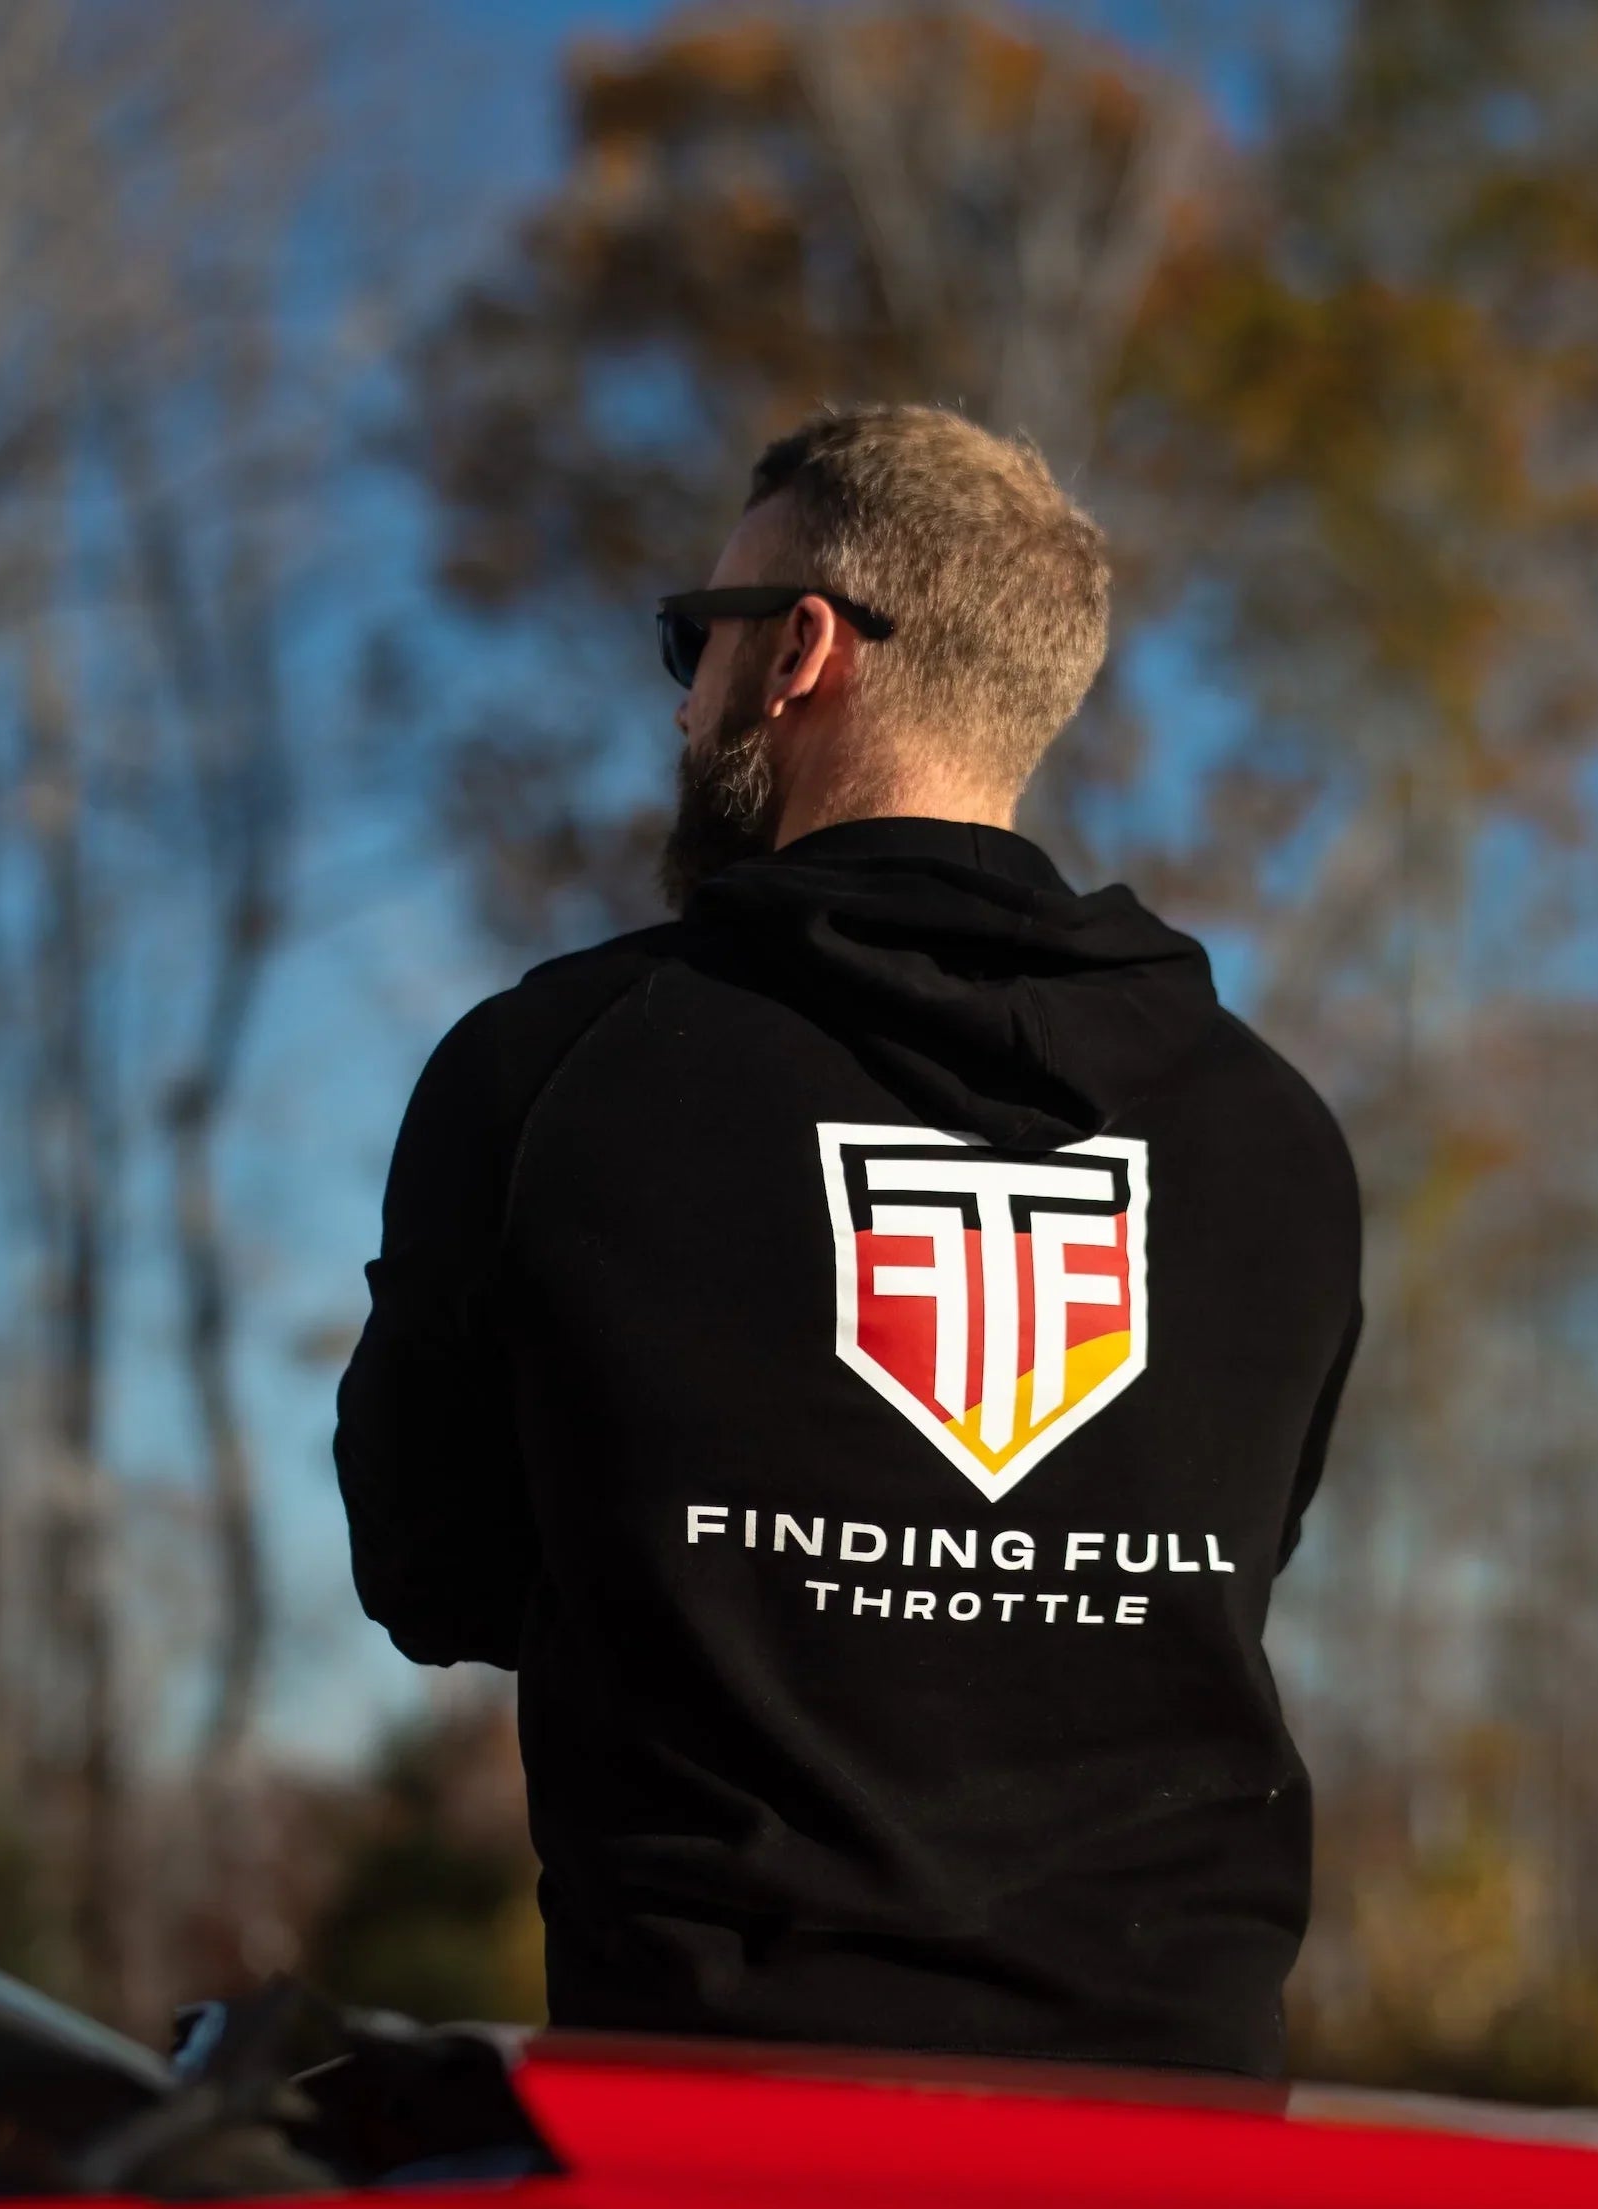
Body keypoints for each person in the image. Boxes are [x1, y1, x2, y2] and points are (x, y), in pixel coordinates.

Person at [335, 405, 1360, 2081]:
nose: (685, 695)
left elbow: (432, 1569)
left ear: (803, 650)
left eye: (699, 636)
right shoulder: (1273, 1137)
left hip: (720, 2148)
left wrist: (722, 1589)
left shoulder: (557, 1075)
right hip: (1178, 2166)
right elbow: (1218, 1579)